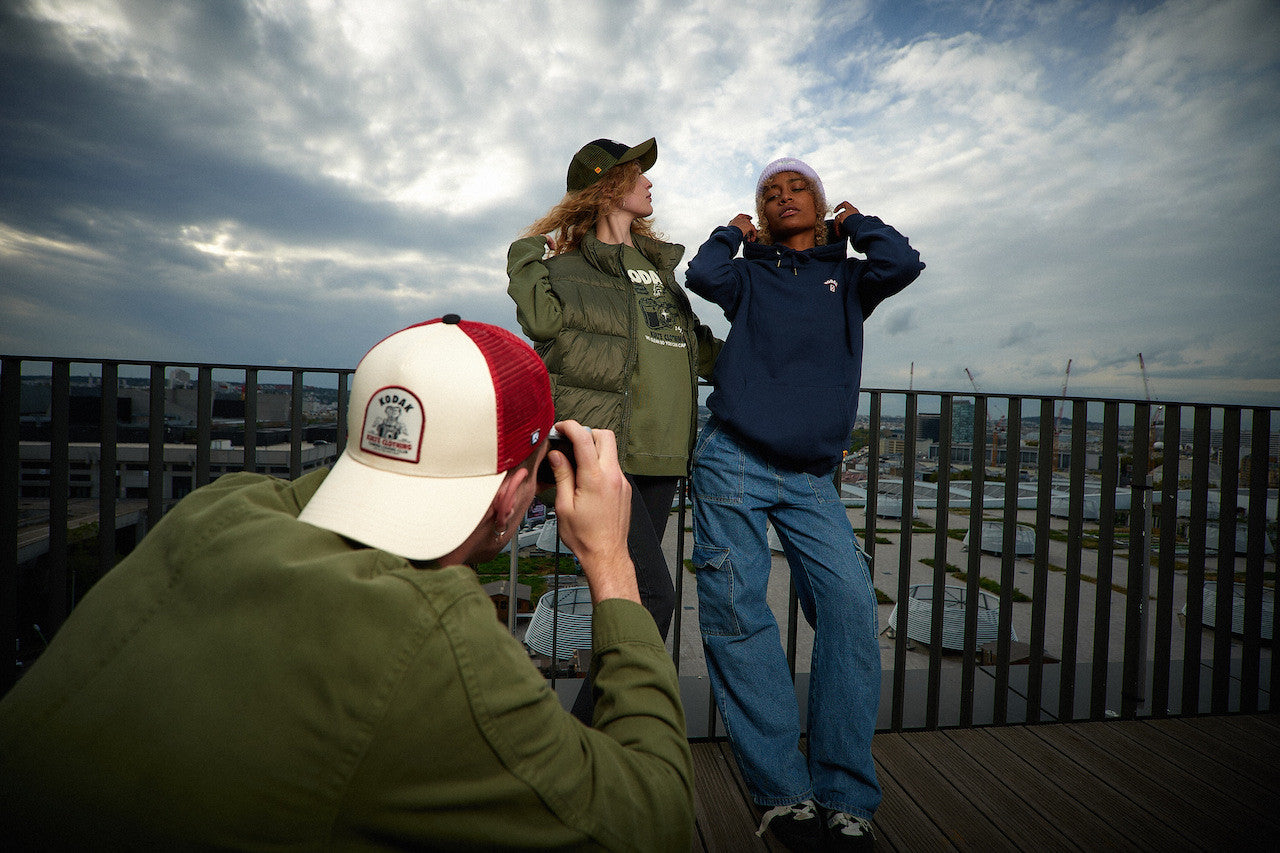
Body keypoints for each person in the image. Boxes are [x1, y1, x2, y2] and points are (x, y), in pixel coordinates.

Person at [0, 317, 694, 851]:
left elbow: (343, 491)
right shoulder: (438, 644)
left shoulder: (220, 511)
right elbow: (654, 820)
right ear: (516, 492)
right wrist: (611, 558)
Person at [684, 157, 924, 851]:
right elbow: (702, 275)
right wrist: (731, 233)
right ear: (760, 214)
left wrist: (857, 222)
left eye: (797, 188)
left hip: (812, 476)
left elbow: (902, 262)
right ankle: (784, 795)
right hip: (733, 457)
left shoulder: (849, 278)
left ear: (820, 205)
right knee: (738, 615)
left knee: (849, 606)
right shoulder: (748, 276)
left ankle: (845, 796)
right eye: (769, 192)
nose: (782, 196)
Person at [508, 137, 721, 722]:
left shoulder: (660, 273)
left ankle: (591, 739)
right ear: (606, 186)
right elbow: (539, 320)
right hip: (603, 453)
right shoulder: (566, 270)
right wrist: (527, 253)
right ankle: (591, 738)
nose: (650, 182)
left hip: (661, 453)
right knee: (652, 596)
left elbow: (699, 351)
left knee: (626, 599)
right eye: (637, 174)